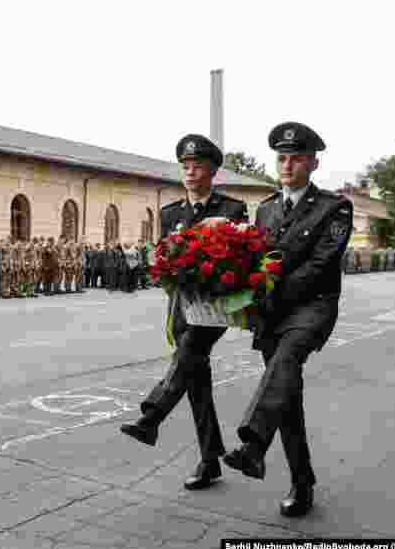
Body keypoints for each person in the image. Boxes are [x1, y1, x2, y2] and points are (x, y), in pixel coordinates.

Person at [223, 122, 352, 518]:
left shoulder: (335, 207)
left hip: (311, 308)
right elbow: (252, 261)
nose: (287, 164)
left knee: (286, 361)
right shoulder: (264, 209)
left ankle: (253, 446)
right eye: (282, 157)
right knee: (285, 397)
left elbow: (319, 265)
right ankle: (302, 482)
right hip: (271, 315)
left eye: (296, 158)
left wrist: (267, 291)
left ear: (313, 163)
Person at [120, 134, 249, 491]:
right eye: (186, 166)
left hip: (214, 305)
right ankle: (210, 460)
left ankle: (152, 416)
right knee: (195, 378)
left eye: (199, 167)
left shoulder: (231, 209)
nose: (191, 172)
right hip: (180, 304)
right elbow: (163, 261)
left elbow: (238, 261)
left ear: (212, 172)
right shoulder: (170, 213)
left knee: (190, 354)